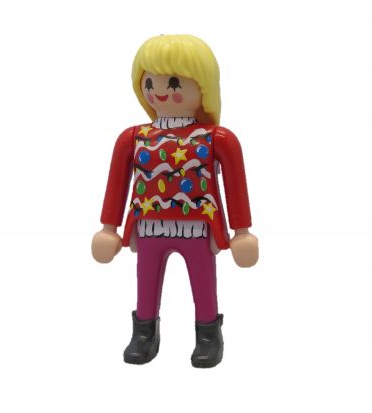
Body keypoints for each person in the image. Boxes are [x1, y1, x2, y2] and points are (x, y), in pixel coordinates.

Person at [91, 34, 258, 368]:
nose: (160, 92)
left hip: (198, 226)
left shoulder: (216, 139)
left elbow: (236, 185)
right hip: (148, 224)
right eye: (149, 82)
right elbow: (117, 184)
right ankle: (144, 332)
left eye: (174, 83)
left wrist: (242, 232)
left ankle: (208, 334)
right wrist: (109, 228)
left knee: (203, 282)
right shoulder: (133, 138)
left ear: (203, 87)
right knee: (146, 281)